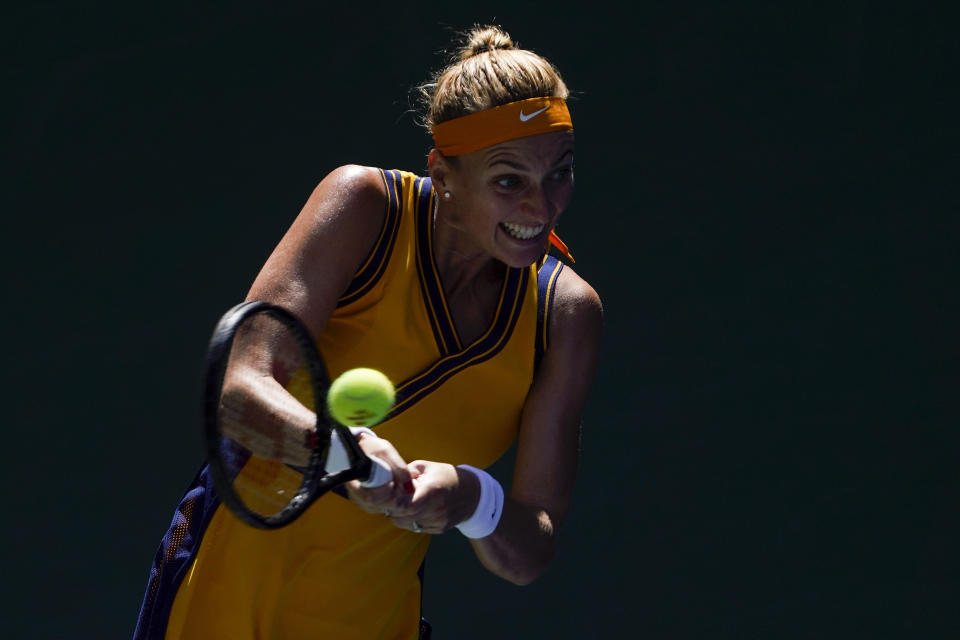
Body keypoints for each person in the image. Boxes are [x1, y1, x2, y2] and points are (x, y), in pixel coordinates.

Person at [133, 25, 602, 640]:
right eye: (509, 181)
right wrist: (339, 452)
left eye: (559, 174)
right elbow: (239, 391)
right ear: (444, 174)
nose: (542, 209)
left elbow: (530, 548)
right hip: (224, 592)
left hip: (373, 621)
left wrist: (469, 496)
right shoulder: (363, 206)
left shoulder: (566, 313)